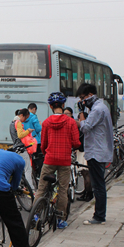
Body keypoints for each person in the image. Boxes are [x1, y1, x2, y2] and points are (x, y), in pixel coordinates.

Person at [33, 92, 80, 229]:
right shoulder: (71, 122)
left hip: (49, 159)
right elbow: (76, 142)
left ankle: (36, 215)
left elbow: (44, 144)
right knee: (62, 190)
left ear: (50, 106)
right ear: (63, 105)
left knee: (41, 188)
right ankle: (60, 219)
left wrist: (47, 151)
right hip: (64, 160)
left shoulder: (46, 122)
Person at [76, 83, 113, 225]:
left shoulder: (97, 109)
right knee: (99, 184)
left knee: (98, 185)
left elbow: (85, 127)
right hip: (98, 150)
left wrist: (80, 116)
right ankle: (99, 214)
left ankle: (99, 216)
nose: (81, 101)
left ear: (90, 95)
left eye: (82, 98)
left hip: (96, 152)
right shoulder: (100, 107)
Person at [10, 108, 36, 191]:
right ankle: (31, 189)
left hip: (15, 149)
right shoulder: (18, 123)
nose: (25, 120)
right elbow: (20, 135)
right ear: (21, 115)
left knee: (18, 169)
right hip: (21, 149)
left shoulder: (12, 123)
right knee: (28, 169)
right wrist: (28, 131)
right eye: (25, 118)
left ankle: (19, 186)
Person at [24, 103, 43, 181]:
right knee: (39, 159)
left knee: (29, 159)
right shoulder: (34, 117)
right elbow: (38, 129)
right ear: (34, 109)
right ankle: (38, 175)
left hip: (26, 142)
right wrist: (40, 125)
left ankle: (29, 174)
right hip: (35, 142)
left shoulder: (23, 117)